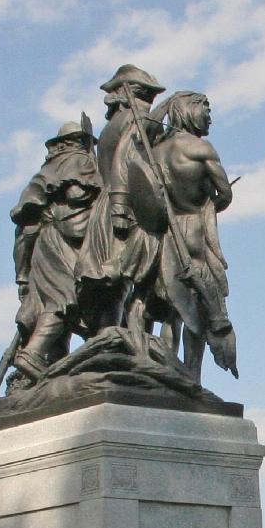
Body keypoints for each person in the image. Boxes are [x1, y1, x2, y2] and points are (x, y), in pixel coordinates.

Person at [0, 117, 99, 392]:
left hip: (42, 249)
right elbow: (83, 197)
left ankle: (56, 368)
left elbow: (24, 230)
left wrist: (22, 275)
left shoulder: (44, 175)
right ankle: (32, 354)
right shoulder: (82, 163)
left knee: (58, 305)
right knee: (65, 300)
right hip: (63, 246)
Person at [76, 64, 167, 335]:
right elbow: (126, 159)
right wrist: (120, 206)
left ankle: (111, 335)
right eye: (145, 95)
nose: (149, 103)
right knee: (131, 275)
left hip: (107, 205)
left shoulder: (109, 127)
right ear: (130, 95)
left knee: (117, 287)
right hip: (127, 204)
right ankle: (125, 338)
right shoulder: (135, 119)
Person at [153, 91, 236, 381]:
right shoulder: (200, 148)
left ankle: (166, 373)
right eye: (206, 110)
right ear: (190, 110)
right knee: (197, 311)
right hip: (193, 232)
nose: (209, 117)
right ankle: (192, 378)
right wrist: (209, 203)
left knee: (170, 311)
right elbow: (225, 194)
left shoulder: (155, 151)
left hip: (162, 236)